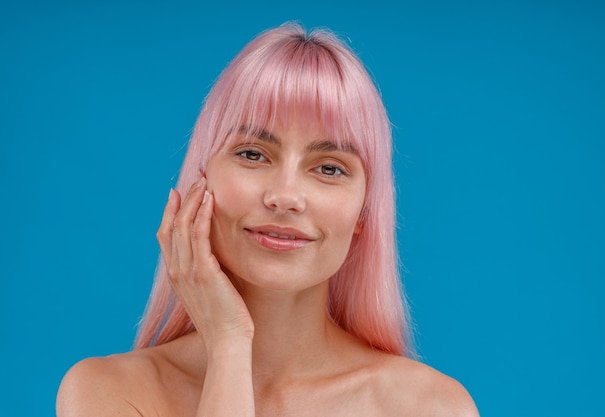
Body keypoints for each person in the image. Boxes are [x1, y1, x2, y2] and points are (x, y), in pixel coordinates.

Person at [57, 22, 479, 416]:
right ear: (201, 180)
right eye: (253, 154)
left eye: (329, 168)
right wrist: (228, 344)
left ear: (363, 215)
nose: (285, 197)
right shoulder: (107, 393)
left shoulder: (430, 406)